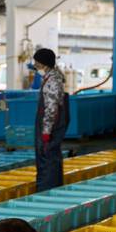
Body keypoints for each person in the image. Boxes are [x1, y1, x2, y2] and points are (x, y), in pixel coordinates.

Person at [33, 47, 69, 192]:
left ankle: (47, 191)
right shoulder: (49, 78)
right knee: (49, 160)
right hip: (49, 127)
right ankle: (50, 189)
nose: (35, 66)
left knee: (48, 161)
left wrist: (46, 132)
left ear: (44, 64)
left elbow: (51, 108)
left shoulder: (52, 81)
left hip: (50, 129)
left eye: (37, 63)